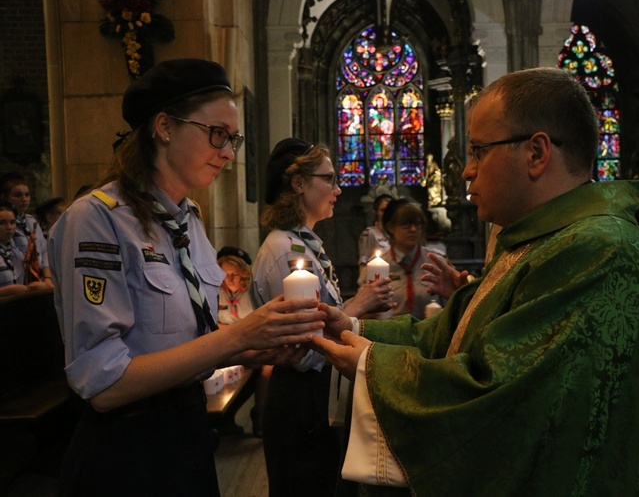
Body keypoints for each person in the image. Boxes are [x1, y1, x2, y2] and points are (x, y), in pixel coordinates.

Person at [310, 67, 639, 495]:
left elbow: (506, 398)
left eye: (478, 151)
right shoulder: (541, 238)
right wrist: (354, 329)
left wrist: (372, 365)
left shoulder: (596, 251)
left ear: (537, 153)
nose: (467, 171)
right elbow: (464, 334)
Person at [47, 58, 325, 497]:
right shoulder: (97, 219)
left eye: (232, 139)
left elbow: (187, 343)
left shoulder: (187, 220)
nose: (229, 152)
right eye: (217, 134)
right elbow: (103, 383)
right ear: (164, 127)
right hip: (125, 452)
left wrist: (258, 346)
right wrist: (236, 338)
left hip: (188, 437)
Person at [251, 137, 394, 497]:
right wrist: (357, 306)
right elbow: (306, 348)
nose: (338, 189)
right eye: (329, 179)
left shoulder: (304, 243)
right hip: (300, 402)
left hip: (316, 398)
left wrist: (362, 311)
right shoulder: (283, 250)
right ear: (298, 184)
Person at [359, 197, 446, 319]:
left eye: (417, 224)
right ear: (391, 228)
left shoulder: (435, 261)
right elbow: (362, 309)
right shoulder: (376, 265)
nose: (413, 229)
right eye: (406, 225)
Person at [216, 245, 269, 437]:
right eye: (225, 274)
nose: (229, 279)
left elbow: (260, 323)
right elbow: (213, 323)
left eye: (235, 274)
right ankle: (220, 418)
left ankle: (260, 417)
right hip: (227, 345)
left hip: (252, 344)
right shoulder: (216, 292)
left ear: (244, 272)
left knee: (265, 368)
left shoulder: (253, 292)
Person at [0, 172, 53, 288]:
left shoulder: (31, 221)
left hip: (40, 279)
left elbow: (43, 250)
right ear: (5, 197)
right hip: (17, 282)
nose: (24, 199)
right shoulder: (7, 226)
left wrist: (47, 277)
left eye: (27, 195)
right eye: (18, 195)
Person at [0, 201, 48, 296]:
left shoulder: (17, 252)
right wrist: (7, 291)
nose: (9, 227)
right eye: (2, 223)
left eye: (12, 222)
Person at [357, 193, 392, 272]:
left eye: (389, 210)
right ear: (377, 212)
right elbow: (363, 261)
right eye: (383, 210)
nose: (386, 213)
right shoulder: (370, 233)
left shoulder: (397, 234)